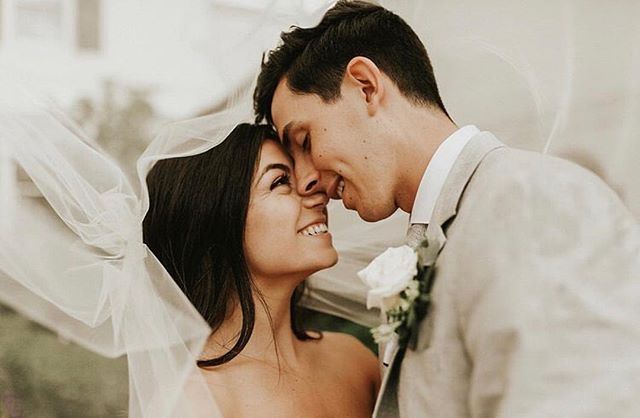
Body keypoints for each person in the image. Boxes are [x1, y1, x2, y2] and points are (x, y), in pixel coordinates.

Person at [253, 1, 640, 417]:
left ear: (365, 85)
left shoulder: (529, 199)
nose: (305, 180)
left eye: (305, 141)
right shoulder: (449, 229)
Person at [142, 123, 380, 417]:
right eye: (280, 181)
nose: (318, 192)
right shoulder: (193, 403)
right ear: (217, 219)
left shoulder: (354, 360)